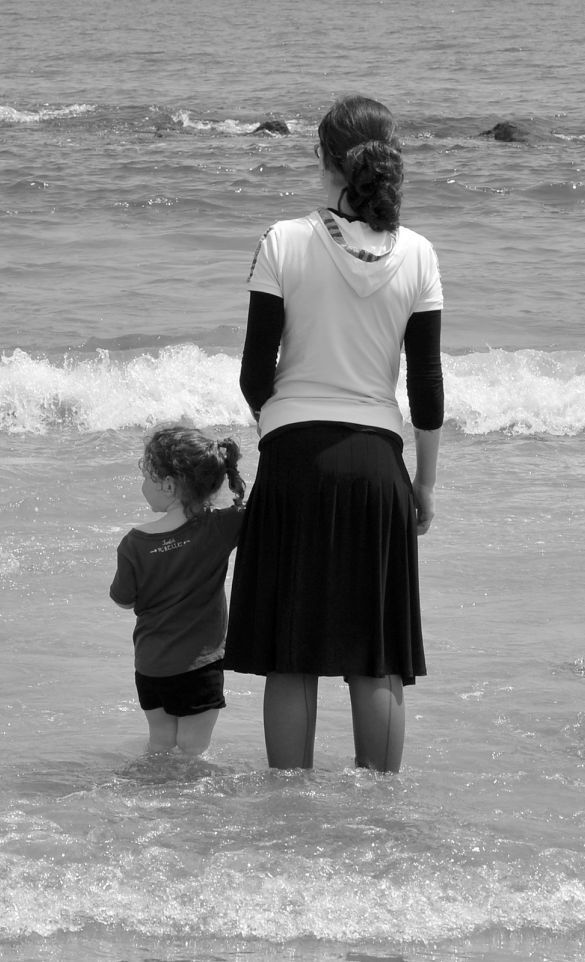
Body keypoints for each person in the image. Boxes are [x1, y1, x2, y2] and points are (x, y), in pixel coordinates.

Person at [225, 95, 444, 773]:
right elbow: (426, 388)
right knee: (374, 662)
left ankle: (289, 810)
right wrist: (425, 482)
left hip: (293, 461)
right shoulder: (418, 254)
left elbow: (254, 373)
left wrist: (280, 430)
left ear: (324, 160)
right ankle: (379, 813)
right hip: (378, 464)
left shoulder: (283, 240)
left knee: (292, 658)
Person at [110, 426, 247, 756]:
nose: (143, 486)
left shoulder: (134, 543)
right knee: (192, 750)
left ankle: (152, 798)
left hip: (150, 667)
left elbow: (124, 600)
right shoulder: (220, 526)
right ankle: (187, 808)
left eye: (147, 477)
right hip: (198, 667)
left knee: (160, 743)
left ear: (168, 485)